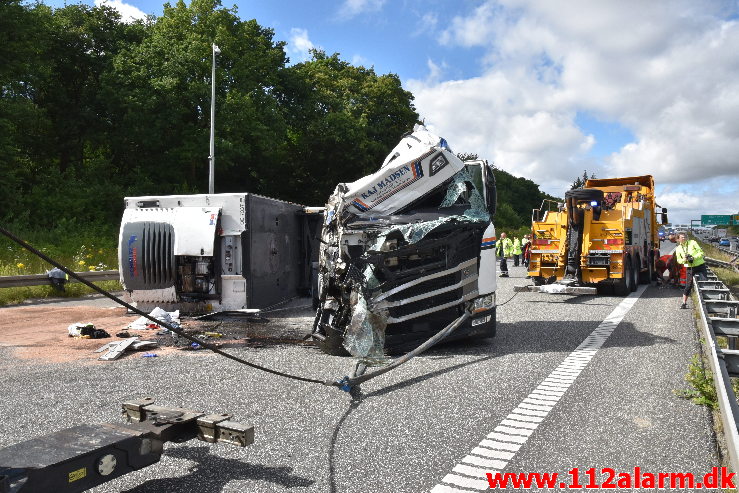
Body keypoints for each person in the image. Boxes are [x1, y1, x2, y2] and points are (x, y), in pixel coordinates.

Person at [674, 232, 708, 309]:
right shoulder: (678, 249)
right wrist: (684, 259)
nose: (684, 238)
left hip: (700, 265)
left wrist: (693, 257)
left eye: (685, 236)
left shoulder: (692, 242)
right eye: (682, 237)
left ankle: (704, 300)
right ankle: (684, 303)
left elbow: (701, 252)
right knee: (688, 285)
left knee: (704, 281)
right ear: (678, 239)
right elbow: (679, 260)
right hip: (690, 267)